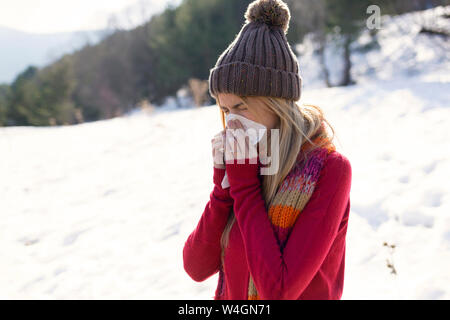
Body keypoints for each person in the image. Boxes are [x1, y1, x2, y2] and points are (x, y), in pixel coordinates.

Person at [183, 0, 352, 300]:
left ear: (277, 104)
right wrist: (223, 192)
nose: (232, 122)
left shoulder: (329, 170)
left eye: (241, 107)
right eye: (224, 110)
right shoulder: (249, 164)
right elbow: (196, 267)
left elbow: (279, 291)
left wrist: (245, 189)